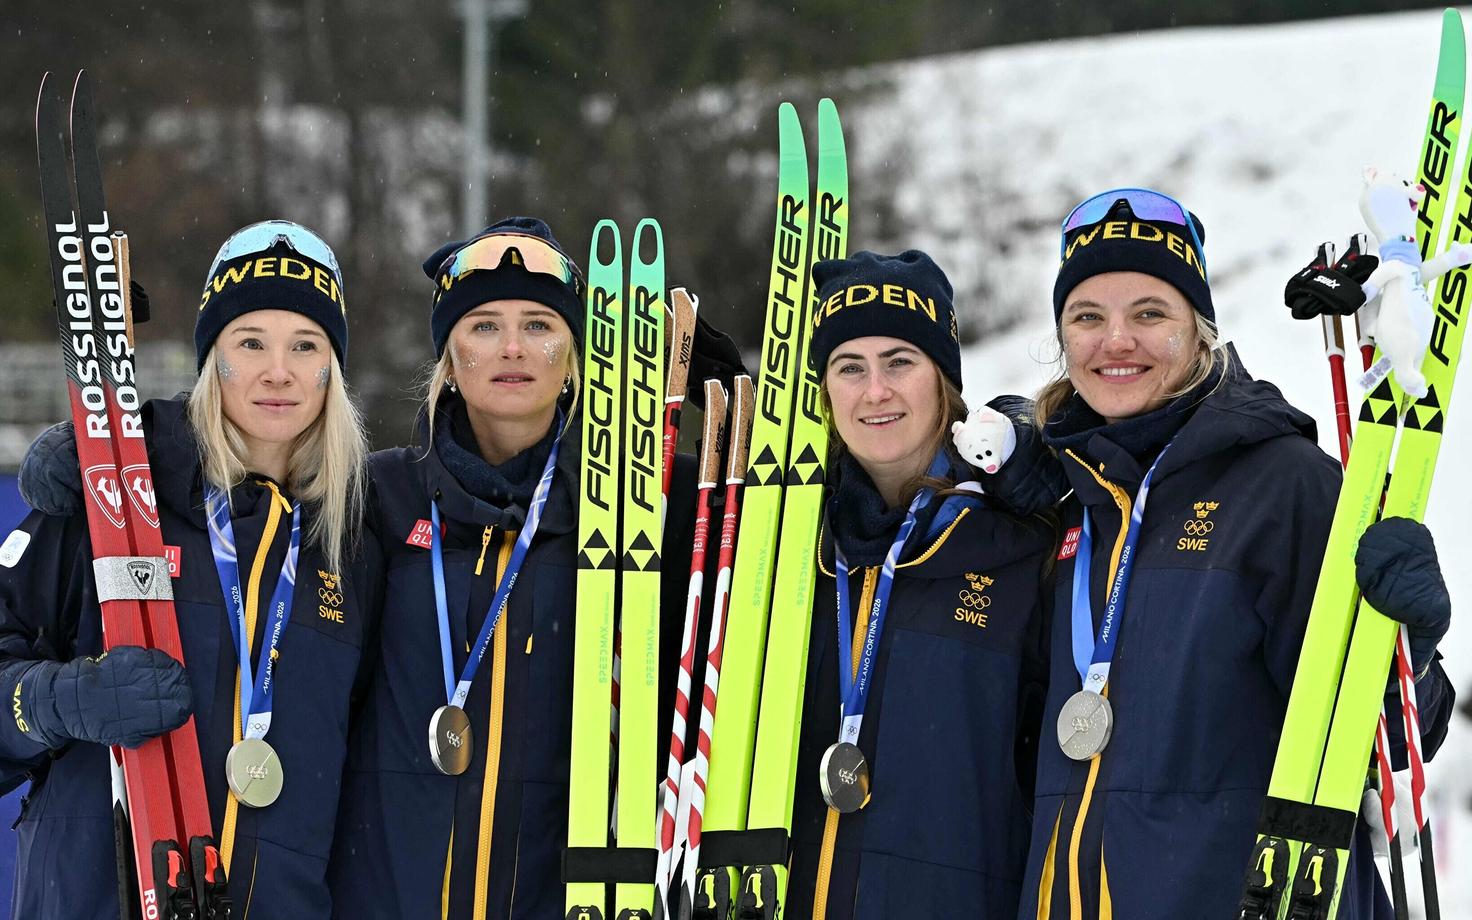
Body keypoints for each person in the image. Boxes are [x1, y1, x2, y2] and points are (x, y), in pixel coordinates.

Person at [1020, 188, 1456, 919]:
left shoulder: (1281, 485)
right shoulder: (1060, 500)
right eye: (1087, 317)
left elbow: (1391, 748)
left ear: (1199, 331)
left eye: (1150, 314)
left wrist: (1402, 644)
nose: (1115, 341)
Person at [326, 217, 715, 919]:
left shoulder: (654, 501)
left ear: (572, 352)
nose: (512, 348)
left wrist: (737, 416)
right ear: (449, 351)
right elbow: (239, 500)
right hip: (391, 896)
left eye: (539, 324)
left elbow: (831, 526)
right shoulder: (377, 497)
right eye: (483, 325)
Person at [0, 220, 379, 917]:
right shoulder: (113, 499)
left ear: (333, 366)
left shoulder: (355, 545)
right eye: (250, 343)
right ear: (214, 359)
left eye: (306, 345)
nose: (278, 371)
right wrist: (56, 701)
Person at [782, 250, 1056, 920]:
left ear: (944, 380)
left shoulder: (1022, 542)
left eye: (900, 362)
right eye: (850, 367)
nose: (876, 391)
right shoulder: (789, 549)